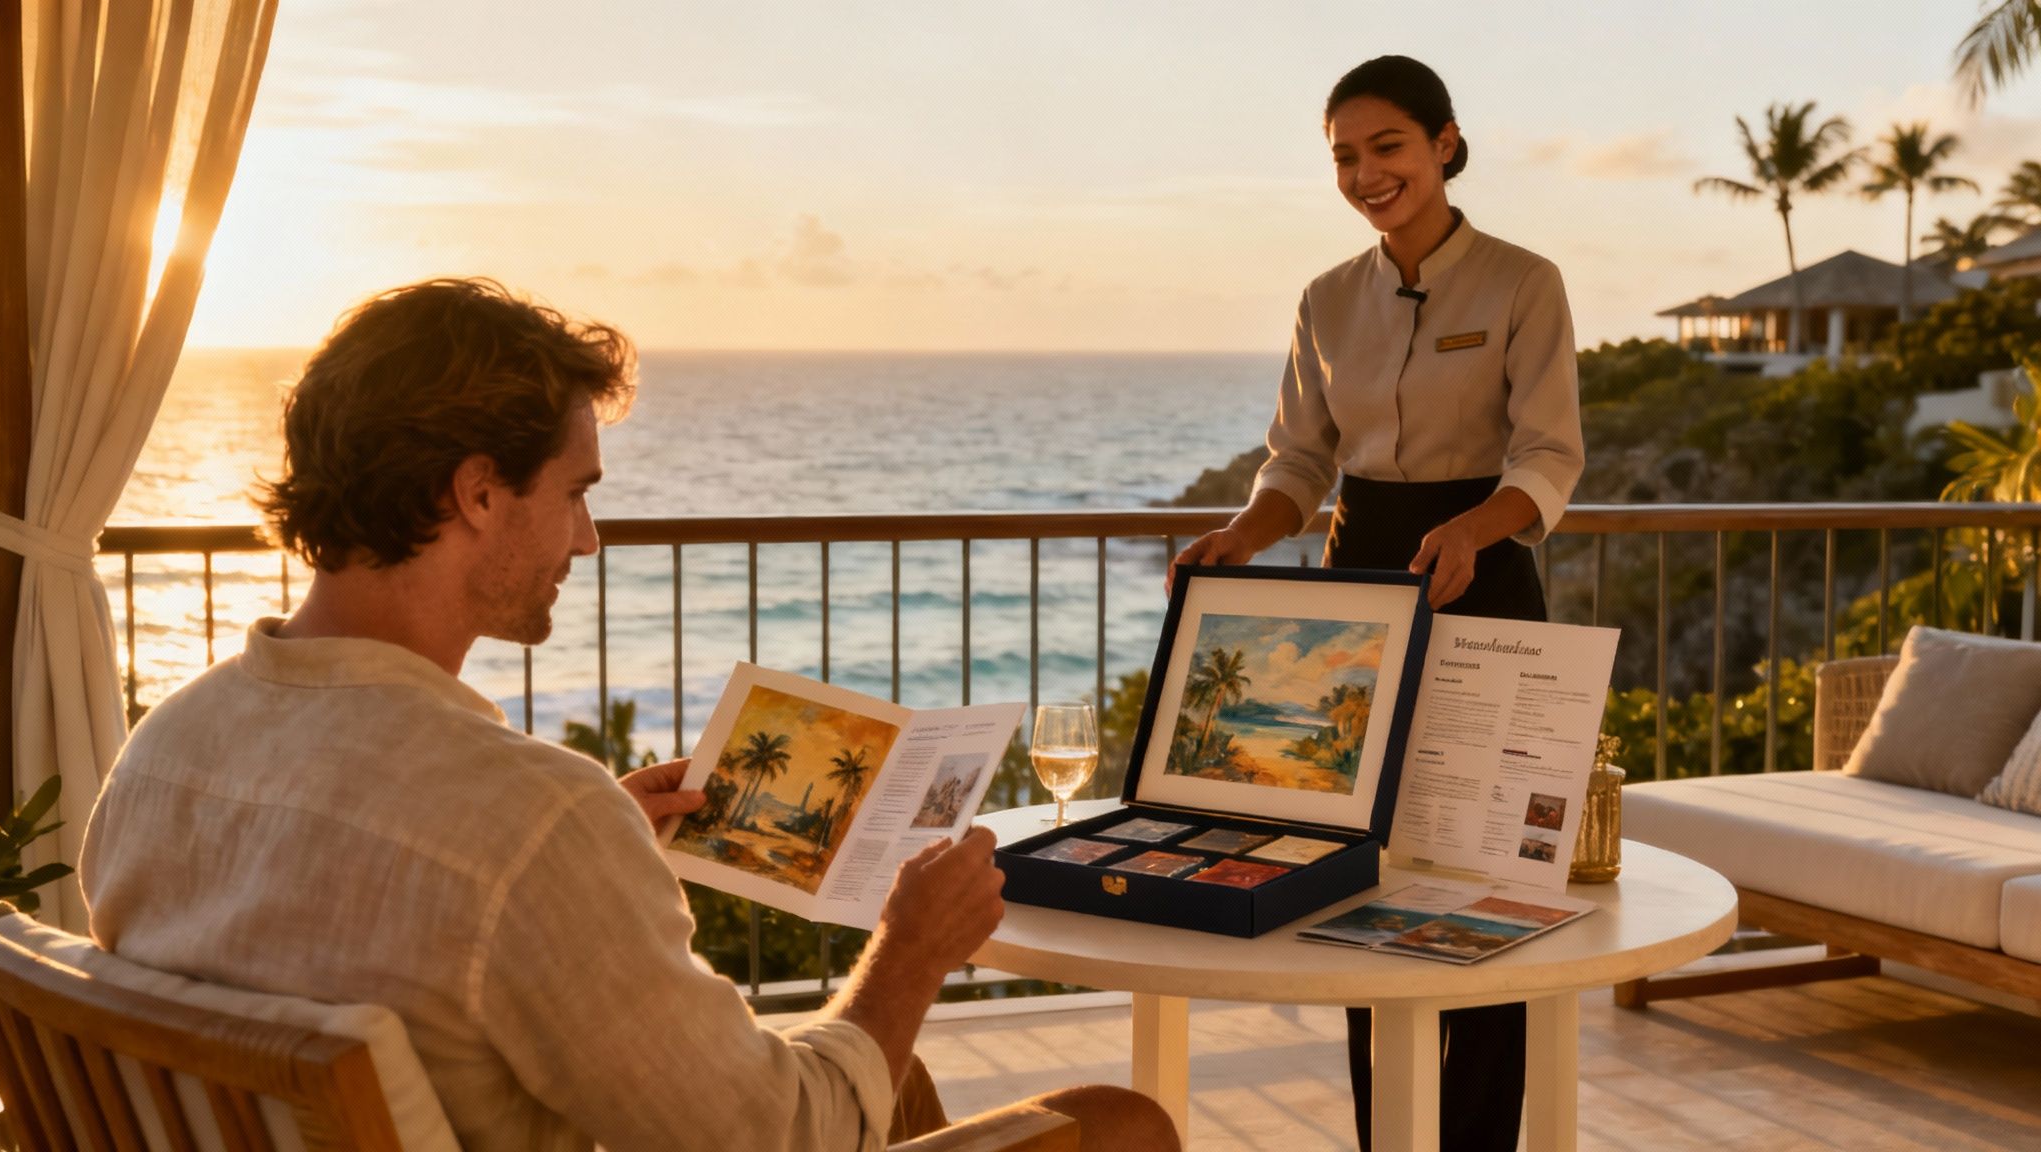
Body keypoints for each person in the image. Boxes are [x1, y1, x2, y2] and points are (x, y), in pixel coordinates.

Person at [80, 278, 1178, 1152]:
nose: (588, 541)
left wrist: (585, 841)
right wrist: (908, 951)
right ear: (475, 493)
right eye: (575, 492)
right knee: (1121, 1125)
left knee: (896, 1080)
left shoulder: (163, 754)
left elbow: (351, 904)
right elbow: (779, 1136)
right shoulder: (520, 825)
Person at [1170, 56, 1584, 1152]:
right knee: (1354, 877)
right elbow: (1298, 463)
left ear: (1444, 144)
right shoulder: (1323, 299)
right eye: (1344, 157)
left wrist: (1472, 529)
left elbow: (1548, 456)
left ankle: (1480, 1137)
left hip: (1483, 568)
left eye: (1385, 148)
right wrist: (1241, 536)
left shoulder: (1522, 282)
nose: (1365, 174)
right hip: (1358, 588)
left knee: (1490, 883)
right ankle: (1384, 1138)